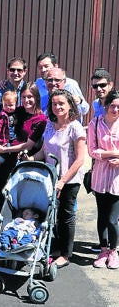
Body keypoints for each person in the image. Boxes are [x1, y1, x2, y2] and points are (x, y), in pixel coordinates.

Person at [27, 89, 86, 268]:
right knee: (52, 215)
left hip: (69, 180)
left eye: (61, 103)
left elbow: (80, 159)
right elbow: (44, 151)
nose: (58, 106)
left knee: (66, 216)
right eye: (54, 104)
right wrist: (30, 158)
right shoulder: (50, 125)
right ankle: (58, 248)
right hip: (51, 178)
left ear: (70, 105)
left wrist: (63, 181)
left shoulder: (75, 127)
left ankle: (66, 254)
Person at [0, 83, 47, 214]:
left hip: (24, 160)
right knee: (1, 189)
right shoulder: (17, 110)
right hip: (7, 159)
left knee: (20, 193)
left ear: (37, 98)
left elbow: (29, 145)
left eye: (30, 97)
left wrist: (4, 150)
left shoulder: (41, 119)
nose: (26, 100)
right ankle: (0, 222)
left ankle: (18, 223)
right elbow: (1, 122)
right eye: (23, 97)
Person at [88, 90, 119, 269]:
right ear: (106, 106)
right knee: (102, 215)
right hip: (100, 175)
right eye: (113, 106)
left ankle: (114, 251)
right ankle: (103, 250)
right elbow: (92, 150)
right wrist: (113, 153)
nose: (115, 110)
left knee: (113, 218)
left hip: (117, 178)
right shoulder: (95, 123)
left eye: (118, 107)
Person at [0, 90, 18, 178]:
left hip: (14, 138)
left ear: (16, 104)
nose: (8, 107)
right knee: (6, 151)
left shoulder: (16, 114)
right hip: (5, 138)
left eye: (11, 105)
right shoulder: (2, 115)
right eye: (6, 105)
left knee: (14, 153)